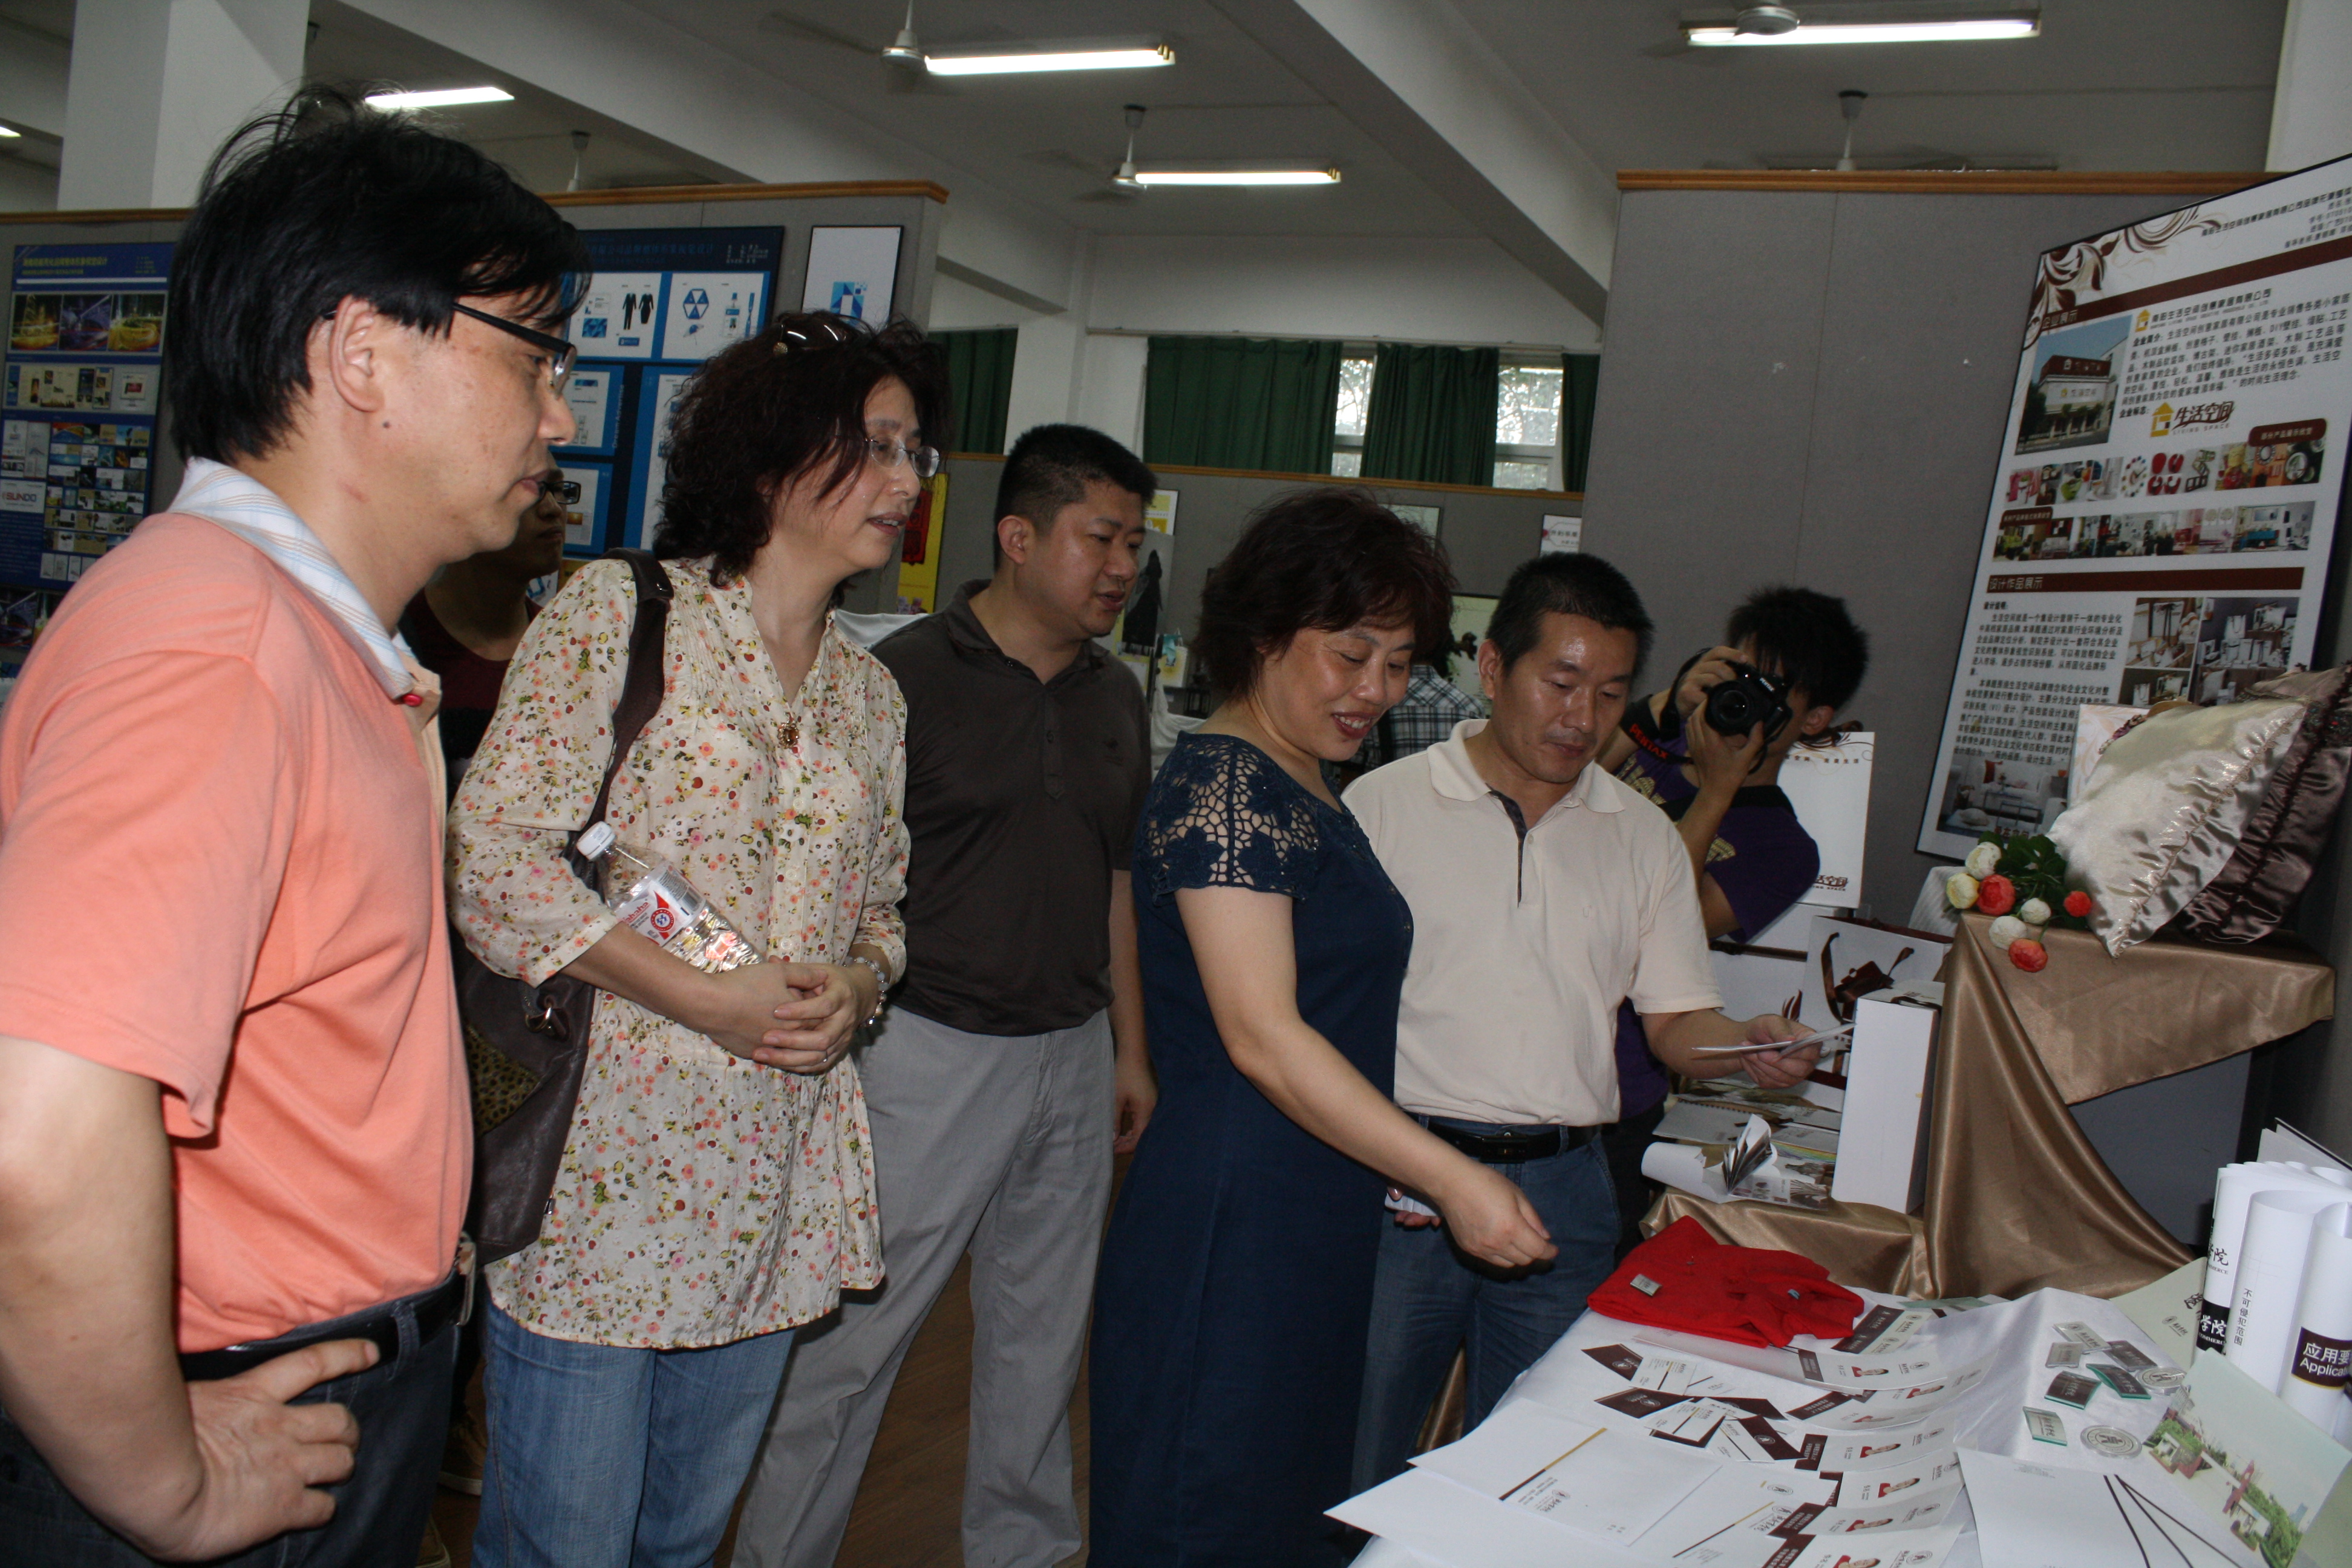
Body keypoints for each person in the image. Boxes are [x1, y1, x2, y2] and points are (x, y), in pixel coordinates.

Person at [0, 93, 584, 1564]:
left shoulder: (290, 639)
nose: (561, 416)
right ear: (362, 354)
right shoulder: (218, 649)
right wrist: (162, 1482)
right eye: (533, 356)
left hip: (310, 1385)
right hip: (233, 1408)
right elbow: (33, 1139)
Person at [447, 313, 935, 1567]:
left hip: (772, 1184)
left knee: (681, 1541)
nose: (906, 481)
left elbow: (883, 908)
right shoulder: (623, 614)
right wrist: (703, 995)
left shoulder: (872, 695)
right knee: (563, 1545)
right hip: (603, 1172)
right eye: (877, 447)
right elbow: (492, 857)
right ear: (773, 457)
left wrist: (860, 984)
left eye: (915, 453)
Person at [1089, 489, 1555, 1568]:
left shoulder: (1300, 778)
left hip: (1308, 1201)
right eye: (1350, 656)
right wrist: (1448, 1174)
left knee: (1281, 1499)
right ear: (1264, 635)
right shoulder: (1226, 789)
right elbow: (1262, 1035)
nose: (1376, 691)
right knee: (1207, 1502)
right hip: (1235, 1211)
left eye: (1398, 662)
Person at [739, 423, 1158, 1567]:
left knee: (1042, 1338)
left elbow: (1114, 880)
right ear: (1018, 537)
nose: (1122, 566)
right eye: (1101, 538)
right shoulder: (901, 680)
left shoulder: (1116, 697)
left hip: (1072, 1050)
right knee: (853, 1345)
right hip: (927, 1054)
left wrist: (1127, 1048)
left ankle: (1023, 1552)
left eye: (1135, 543)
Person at [1347, 554, 1819, 1492]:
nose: (1582, 717)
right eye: (1560, 682)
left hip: (1565, 1188)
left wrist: (1746, 1043)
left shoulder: (1643, 838)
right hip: (1405, 1180)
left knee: (1531, 1462)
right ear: (1492, 668)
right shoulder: (1380, 807)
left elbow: (1675, 1023)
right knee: (1362, 1444)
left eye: (1609, 693)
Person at [1595, 586, 1870, 1256]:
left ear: (1815, 719)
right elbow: (1551, 781)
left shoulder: (1783, 849)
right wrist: (1664, 704)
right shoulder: (1648, 739)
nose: (1747, 698)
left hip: (1615, 1085)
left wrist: (1718, 789)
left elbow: (1663, 932)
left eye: (1773, 691)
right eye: (1741, 674)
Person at [403, 464, 571, 788]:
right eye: (532, 490)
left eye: (559, 490)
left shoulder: (564, 644)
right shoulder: (396, 642)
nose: (553, 509)